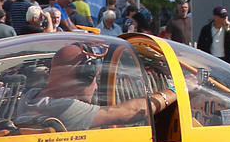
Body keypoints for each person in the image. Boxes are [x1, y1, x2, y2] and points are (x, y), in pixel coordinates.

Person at [15, 43, 177, 131]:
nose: (96, 86)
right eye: (94, 78)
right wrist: (177, 90)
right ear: (82, 77)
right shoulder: (64, 109)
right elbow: (131, 111)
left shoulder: (30, 97)